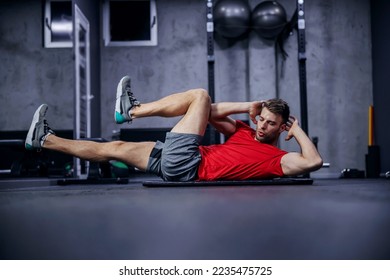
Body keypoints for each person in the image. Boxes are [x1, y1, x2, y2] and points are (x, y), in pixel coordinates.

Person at [25, 76, 323, 181]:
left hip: (188, 163)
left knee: (199, 94)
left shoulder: (278, 160)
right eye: (261, 119)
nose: (262, 126)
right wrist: (248, 106)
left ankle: (133, 111)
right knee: (112, 149)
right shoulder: (245, 131)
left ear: (281, 127)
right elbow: (209, 114)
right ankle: (45, 140)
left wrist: (295, 130)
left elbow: (313, 161)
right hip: (179, 161)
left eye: (270, 124)